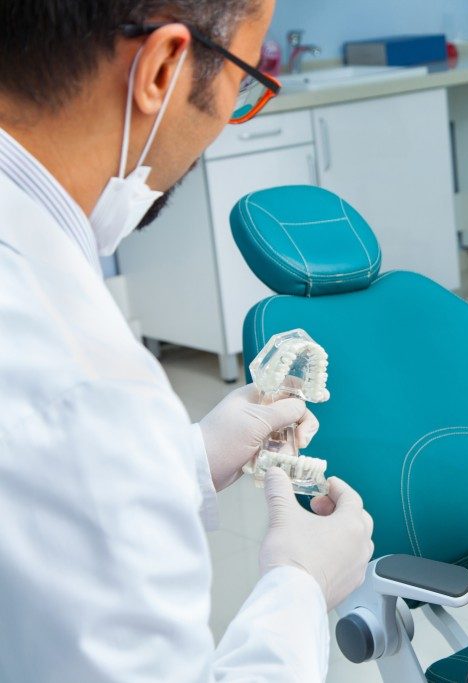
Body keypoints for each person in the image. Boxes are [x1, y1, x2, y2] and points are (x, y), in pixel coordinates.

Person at [0, 1, 374, 681]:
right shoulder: (88, 385)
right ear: (164, 68)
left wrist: (189, 458)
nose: (232, 117)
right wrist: (301, 585)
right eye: (246, 77)